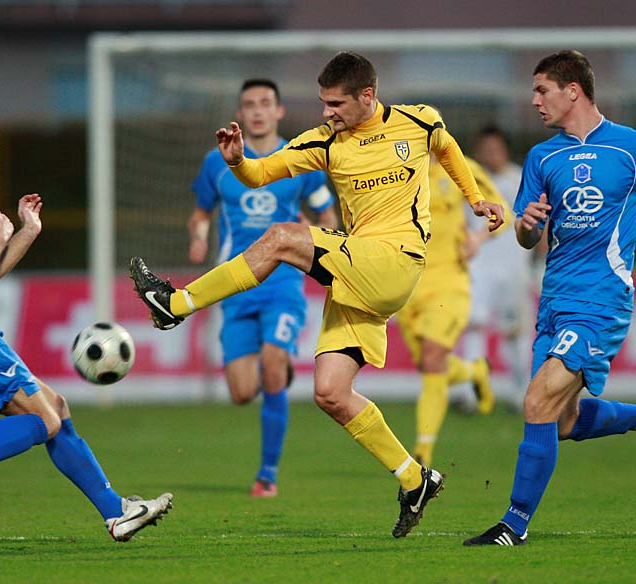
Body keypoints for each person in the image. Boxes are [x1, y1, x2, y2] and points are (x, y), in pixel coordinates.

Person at [129, 52, 504, 537]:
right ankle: (415, 479)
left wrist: (476, 199)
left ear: (367, 95)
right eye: (324, 102)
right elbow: (261, 174)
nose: (327, 112)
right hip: (360, 272)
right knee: (330, 392)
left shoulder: (418, 121)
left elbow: (447, 147)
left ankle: (174, 304)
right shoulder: (324, 142)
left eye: (336, 103)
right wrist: (238, 160)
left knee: (282, 237)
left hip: (397, 262)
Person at [464, 50, 636, 547]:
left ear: (573, 91)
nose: (535, 101)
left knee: (536, 400)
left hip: (602, 299)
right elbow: (524, 235)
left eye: (542, 90)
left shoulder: (632, 146)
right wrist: (526, 224)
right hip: (554, 299)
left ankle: (513, 525)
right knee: (561, 422)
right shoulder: (542, 157)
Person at [0, 96, 172, 542]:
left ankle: (117, 512)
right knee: (44, 420)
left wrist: (25, 232)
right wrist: (0, 236)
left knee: (55, 408)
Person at [188, 79, 338, 497]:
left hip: (283, 281)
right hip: (235, 285)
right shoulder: (216, 161)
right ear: (241, 113)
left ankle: (267, 474)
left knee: (272, 361)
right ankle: (277, 370)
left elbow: (328, 217)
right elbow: (201, 213)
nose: (257, 111)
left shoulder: (300, 159)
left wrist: (315, 233)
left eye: (265, 103)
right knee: (240, 393)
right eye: (249, 104)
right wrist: (199, 236)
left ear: (279, 111)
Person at [395, 154, 507, 468]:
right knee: (428, 364)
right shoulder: (393, 169)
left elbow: (501, 210)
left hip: (448, 282)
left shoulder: (460, 168)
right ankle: (474, 372)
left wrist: (478, 238)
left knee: (432, 358)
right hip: (406, 285)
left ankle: (423, 451)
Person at [464, 125, 540, 411]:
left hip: (514, 267)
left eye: (494, 149)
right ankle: (473, 393)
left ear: (505, 150)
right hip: (477, 266)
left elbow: (539, 223)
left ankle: (521, 392)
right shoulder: (468, 182)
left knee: (515, 331)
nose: (490, 154)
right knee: (473, 326)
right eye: (485, 149)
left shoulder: (521, 179)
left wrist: (541, 261)